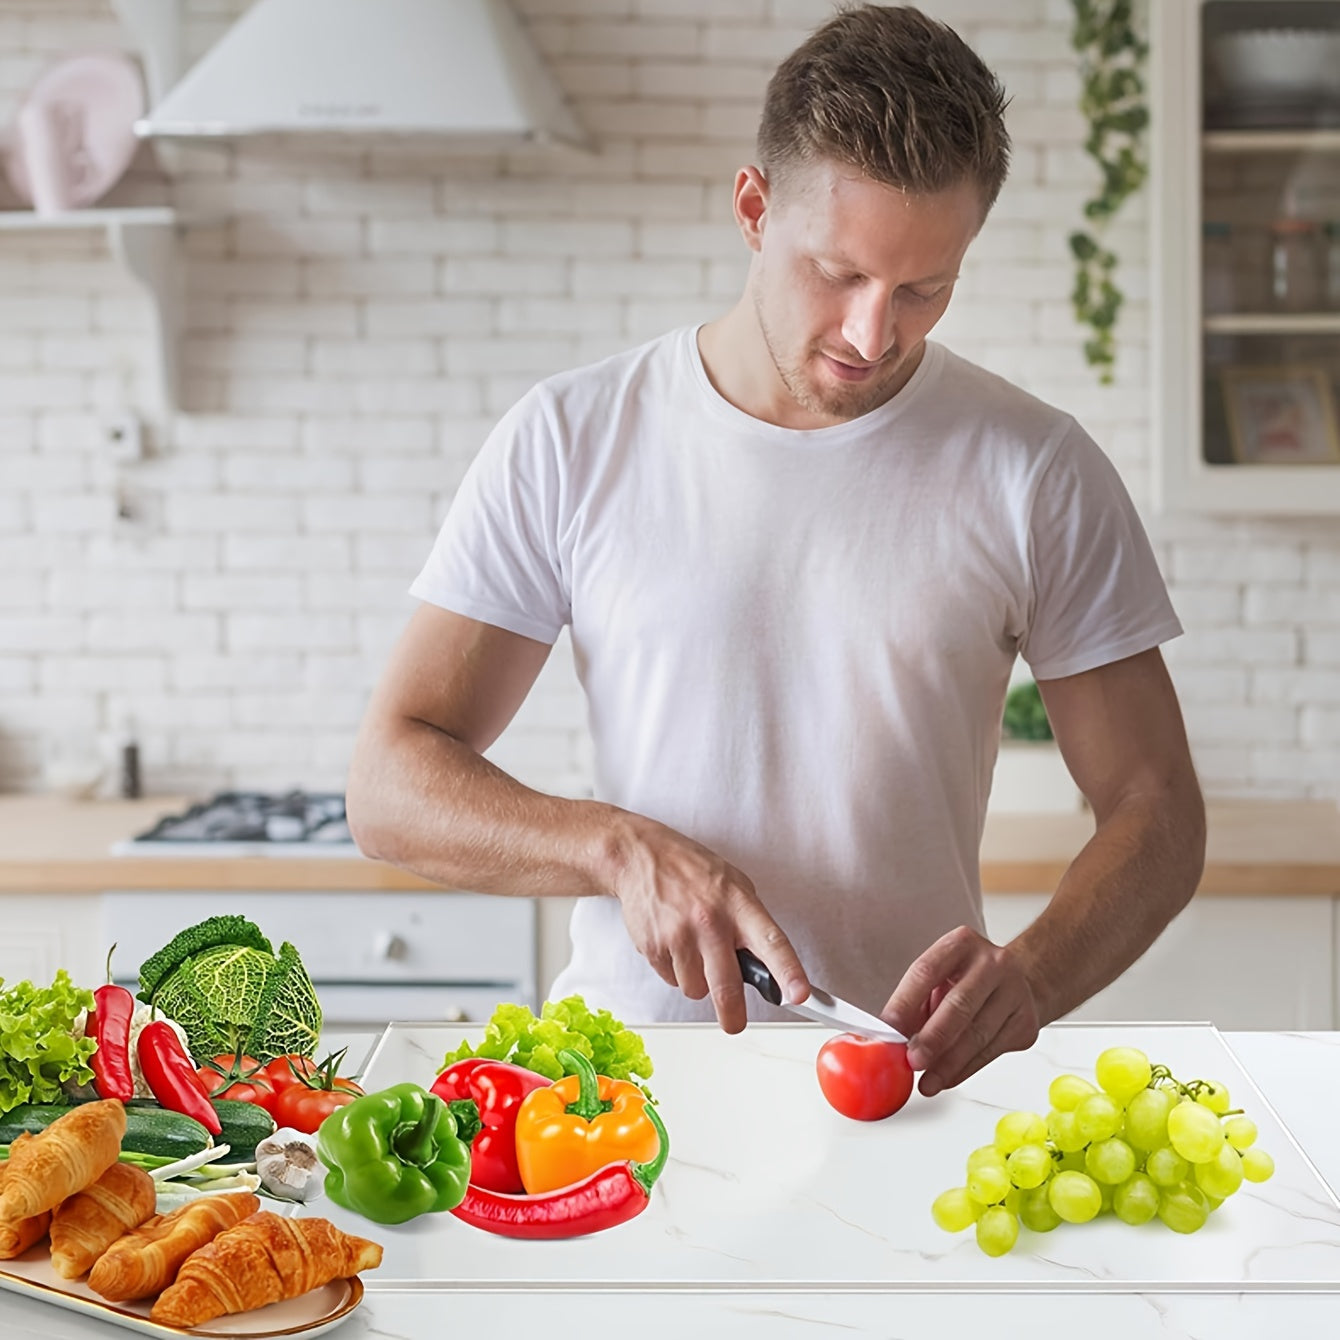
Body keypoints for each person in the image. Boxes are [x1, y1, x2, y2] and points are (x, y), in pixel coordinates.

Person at [346, 4, 1206, 1099]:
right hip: (619, 1086)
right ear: (753, 209)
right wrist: (616, 847)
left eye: (921, 289)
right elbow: (388, 781)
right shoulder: (572, 436)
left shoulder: (1032, 467)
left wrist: (1029, 976)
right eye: (835, 273)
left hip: (900, 1085)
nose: (870, 333)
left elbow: (1156, 811)